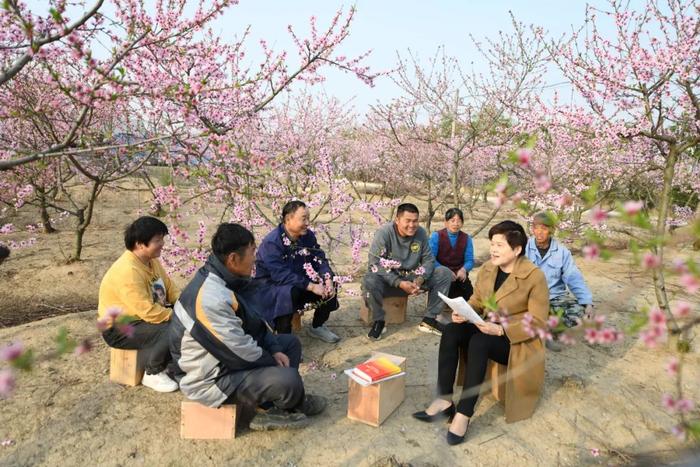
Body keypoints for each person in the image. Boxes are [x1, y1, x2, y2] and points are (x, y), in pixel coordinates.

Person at [169, 223, 326, 431]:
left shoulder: (229, 279)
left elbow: (255, 322)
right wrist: (272, 362)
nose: (255, 258)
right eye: (252, 252)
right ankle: (266, 408)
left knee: (288, 345)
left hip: (224, 360)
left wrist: (274, 348)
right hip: (209, 378)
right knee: (288, 378)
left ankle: (278, 402)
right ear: (233, 259)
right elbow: (239, 353)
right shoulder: (210, 298)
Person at [413, 220, 548, 445]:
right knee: (452, 330)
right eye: (492, 243)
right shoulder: (488, 268)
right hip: (486, 326)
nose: (493, 249)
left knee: (479, 342)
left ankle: (464, 413)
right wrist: (465, 311)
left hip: (516, 340)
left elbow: (538, 322)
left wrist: (502, 329)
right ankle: (445, 401)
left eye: (499, 245)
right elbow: (477, 300)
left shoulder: (534, 277)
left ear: (516, 250)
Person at [98, 216, 180, 392]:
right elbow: (148, 312)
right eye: (157, 240)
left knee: (183, 320)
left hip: (142, 318)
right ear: (140, 244)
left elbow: (170, 289)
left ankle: (170, 363)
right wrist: (179, 316)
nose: (163, 244)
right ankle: (153, 373)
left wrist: (184, 306)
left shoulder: (151, 261)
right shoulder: (128, 271)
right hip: (119, 329)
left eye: (162, 239)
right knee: (173, 327)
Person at [252, 200, 341, 344]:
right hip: (272, 287)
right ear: (288, 219)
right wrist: (311, 286)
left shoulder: (307, 236)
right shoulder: (272, 242)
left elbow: (319, 257)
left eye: (308, 218)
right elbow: (279, 275)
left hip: (301, 281)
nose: (307, 223)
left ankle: (317, 326)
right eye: (303, 218)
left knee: (332, 284)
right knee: (287, 293)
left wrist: (327, 278)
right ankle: (284, 338)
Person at [362, 203, 452, 340]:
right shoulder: (384, 233)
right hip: (389, 280)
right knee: (370, 279)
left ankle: (429, 320)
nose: (412, 225)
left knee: (443, 273)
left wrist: (419, 279)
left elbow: (429, 260)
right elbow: (375, 264)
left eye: (415, 221)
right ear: (397, 220)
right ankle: (379, 321)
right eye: (408, 221)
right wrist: (399, 283)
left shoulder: (420, 233)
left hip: (411, 278)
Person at [525, 212, 593, 351]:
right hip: (528, 297)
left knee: (580, 313)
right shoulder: (524, 247)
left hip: (553, 297)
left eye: (544, 229)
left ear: (551, 230)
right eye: (536, 228)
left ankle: (549, 331)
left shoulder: (562, 252)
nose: (539, 232)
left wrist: (587, 302)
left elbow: (573, 277)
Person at [428, 207, 475, 301]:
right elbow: (431, 258)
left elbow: (470, 260)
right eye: (452, 220)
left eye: (459, 221)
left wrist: (463, 270)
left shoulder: (467, 238)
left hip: (459, 274)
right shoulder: (436, 236)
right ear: (446, 222)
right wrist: (446, 271)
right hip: (441, 274)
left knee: (470, 297)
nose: (456, 224)